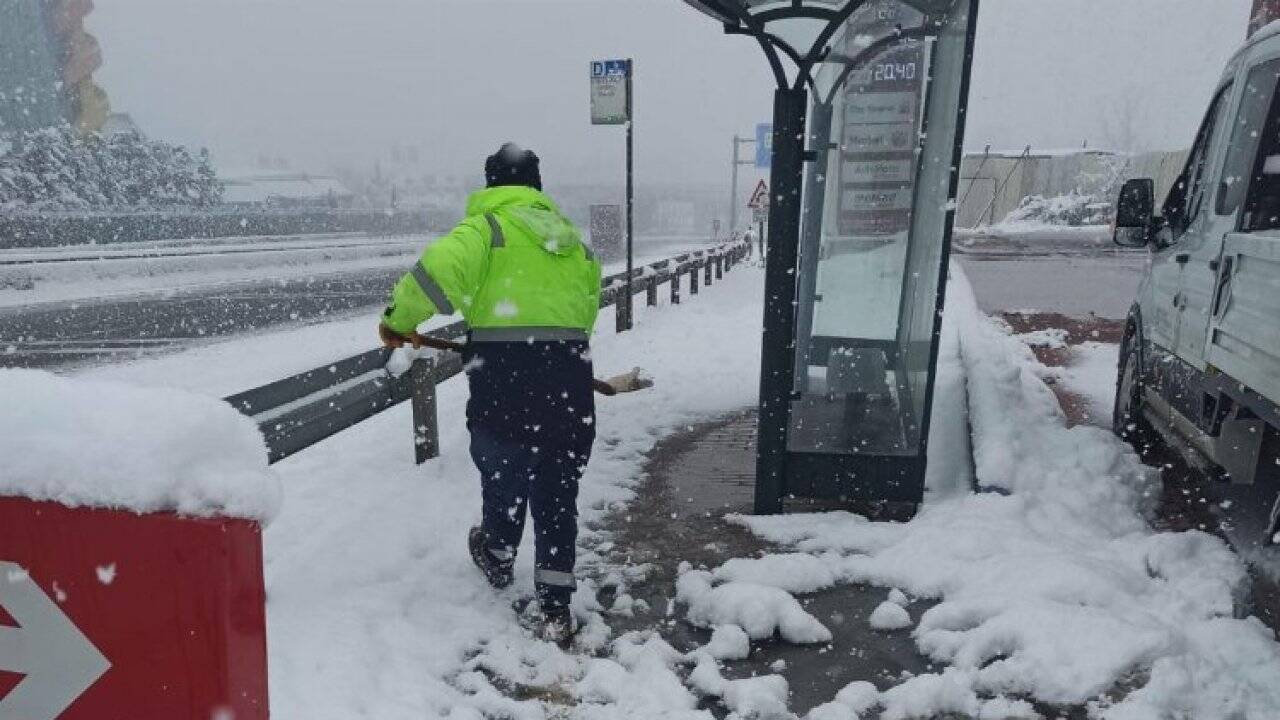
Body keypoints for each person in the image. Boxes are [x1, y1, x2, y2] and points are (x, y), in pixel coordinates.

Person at [378, 143, 602, 641]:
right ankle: (556, 605)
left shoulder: (487, 231)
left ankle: (498, 555)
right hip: (568, 379)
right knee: (558, 490)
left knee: (504, 472)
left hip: (506, 380)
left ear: (491, 184)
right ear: (537, 188)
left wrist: (397, 321)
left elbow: (433, 276)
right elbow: (587, 313)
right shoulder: (574, 243)